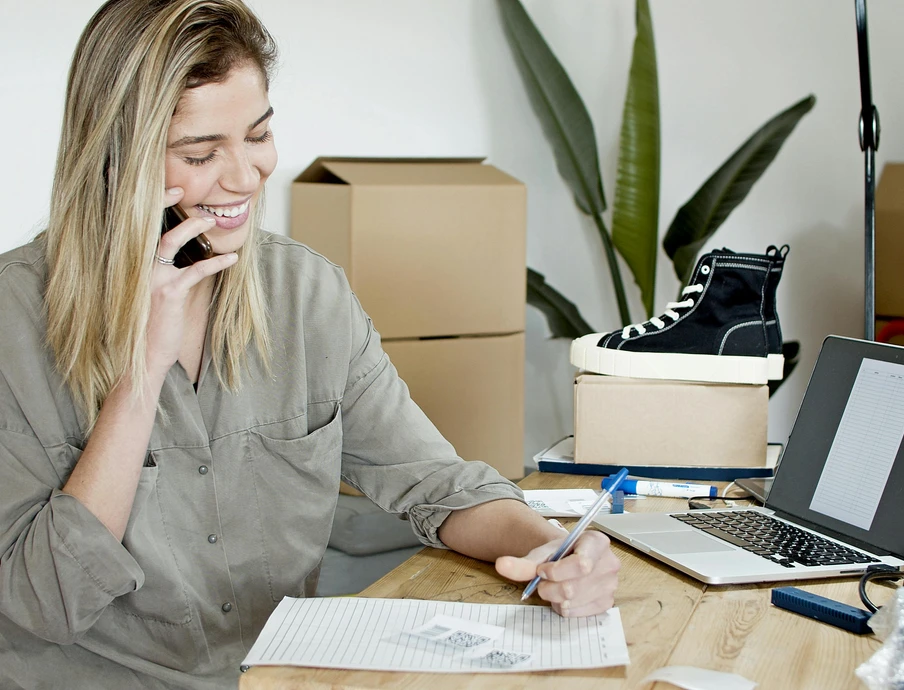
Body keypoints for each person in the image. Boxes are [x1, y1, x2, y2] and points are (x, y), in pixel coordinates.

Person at [0, 1, 620, 687]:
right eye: (201, 154)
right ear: (116, 158)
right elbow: (43, 603)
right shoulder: (12, 320)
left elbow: (435, 483)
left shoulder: (305, 294)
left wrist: (555, 549)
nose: (245, 176)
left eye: (258, 135)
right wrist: (141, 374)